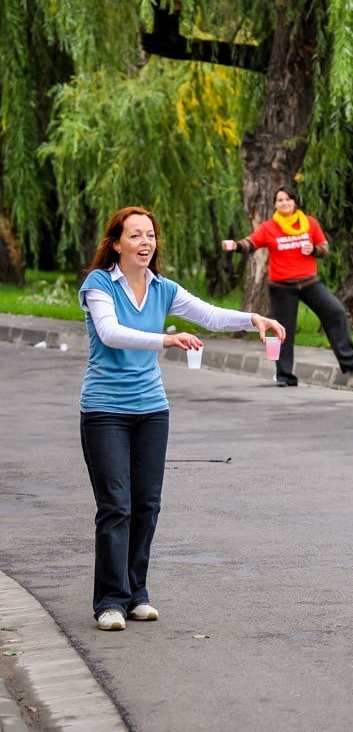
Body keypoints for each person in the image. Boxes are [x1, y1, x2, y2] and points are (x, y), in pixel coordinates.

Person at [79, 206, 285, 631]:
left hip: (152, 410)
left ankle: (137, 594)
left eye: (150, 235)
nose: (144, 243)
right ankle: (109, 602)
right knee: (115, 506)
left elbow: (209, 314)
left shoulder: (162, 288)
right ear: (116, 243)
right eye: (134, 236)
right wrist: (166, 339)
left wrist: (253, 318)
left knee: (147, 505)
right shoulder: (99, 284)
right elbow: (110, 332)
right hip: (105, 412)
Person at [221, 186, 353, 386]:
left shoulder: (309, 223)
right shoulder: (269, 227)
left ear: (294, 202)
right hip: (281, 287)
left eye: (288, 199)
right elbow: (251, 243)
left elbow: (325, 249)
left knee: (335, 311)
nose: (284, 203)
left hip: (309, 283)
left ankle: (349, 359)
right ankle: (284, 376)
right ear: (275, 204)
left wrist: (314, 249)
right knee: (283, 330)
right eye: (280, 200)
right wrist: (235, 245)